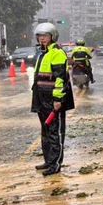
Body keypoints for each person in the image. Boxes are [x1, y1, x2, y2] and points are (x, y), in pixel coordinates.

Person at [30, 23, 74, 176]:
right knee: (45, 131)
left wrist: (57, 99)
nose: (42, 39)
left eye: (45, 36)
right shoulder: (42, 53)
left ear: (52, 37)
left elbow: (60, 78)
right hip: (41, 98)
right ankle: (48, 160)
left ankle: (55, 164)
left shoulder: (57, 53)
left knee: (55, 132)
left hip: (53, 99)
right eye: (40, 36)